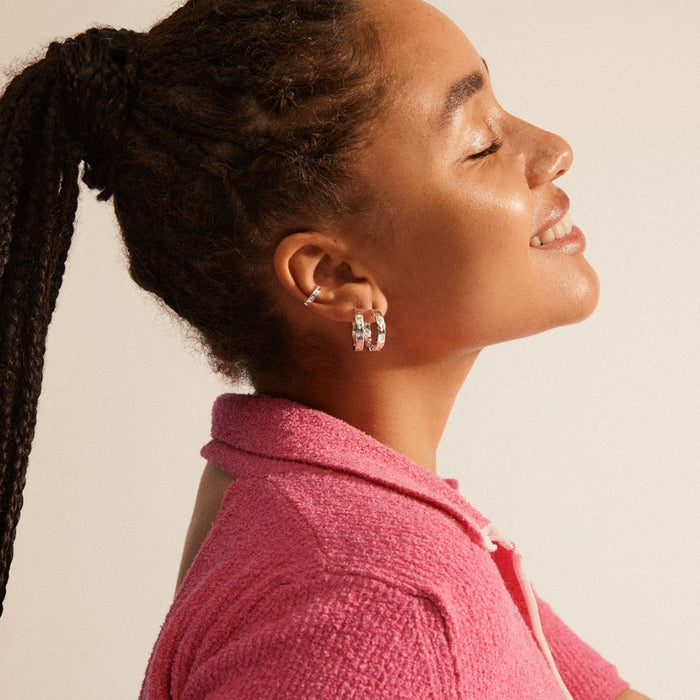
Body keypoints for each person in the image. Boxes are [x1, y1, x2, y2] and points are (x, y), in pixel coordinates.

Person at [0, 0, 650, 697]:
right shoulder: (374, 601)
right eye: (480, 144)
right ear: (335, 277)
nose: (553, 148)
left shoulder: (366, 525)